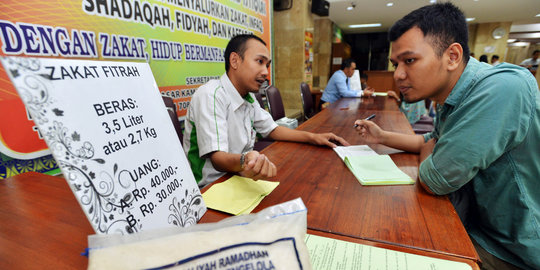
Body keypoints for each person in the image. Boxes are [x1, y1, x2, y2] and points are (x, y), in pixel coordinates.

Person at [354, 3, 539, 270]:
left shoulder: (502, 88)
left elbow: (435, 179)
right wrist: (381, 136)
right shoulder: (451, 97)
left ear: (452, 56)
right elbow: (427, 140)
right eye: (395, 64)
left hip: (509, 249)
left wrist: (432, 152)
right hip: (475, 223)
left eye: (409, 60)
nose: (398, 75)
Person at [183, 34, 349, 187]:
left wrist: (313, 137)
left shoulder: (247, 97)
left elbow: (272, 130)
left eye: (267, 65)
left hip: (238, 175)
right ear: (235, 61)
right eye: (260, 62)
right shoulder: (210, 95)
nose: (265, 72)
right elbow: (218, 159)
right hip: (210, 188)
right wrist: (246, 159)